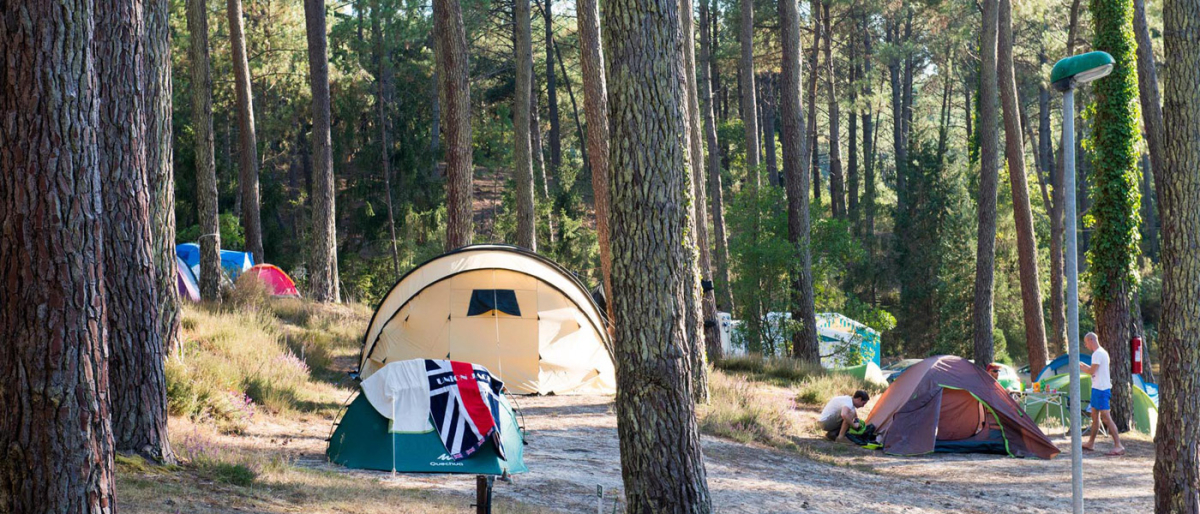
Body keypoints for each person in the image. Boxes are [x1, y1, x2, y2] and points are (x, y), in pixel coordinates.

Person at [1080, 332, 1125, 456]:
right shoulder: (1101, 353)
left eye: (1086, 342)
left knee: (1106, 417)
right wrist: (1083, 365)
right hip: (1097, 389)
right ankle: (1091, 443)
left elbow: (1091, 371)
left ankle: (1119, 445)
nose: (1085, 345)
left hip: (1101, 390)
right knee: (1095, 416)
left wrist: (1081, 367)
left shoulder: (1097, 354)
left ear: (1091, 340)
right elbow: (1094, 370)